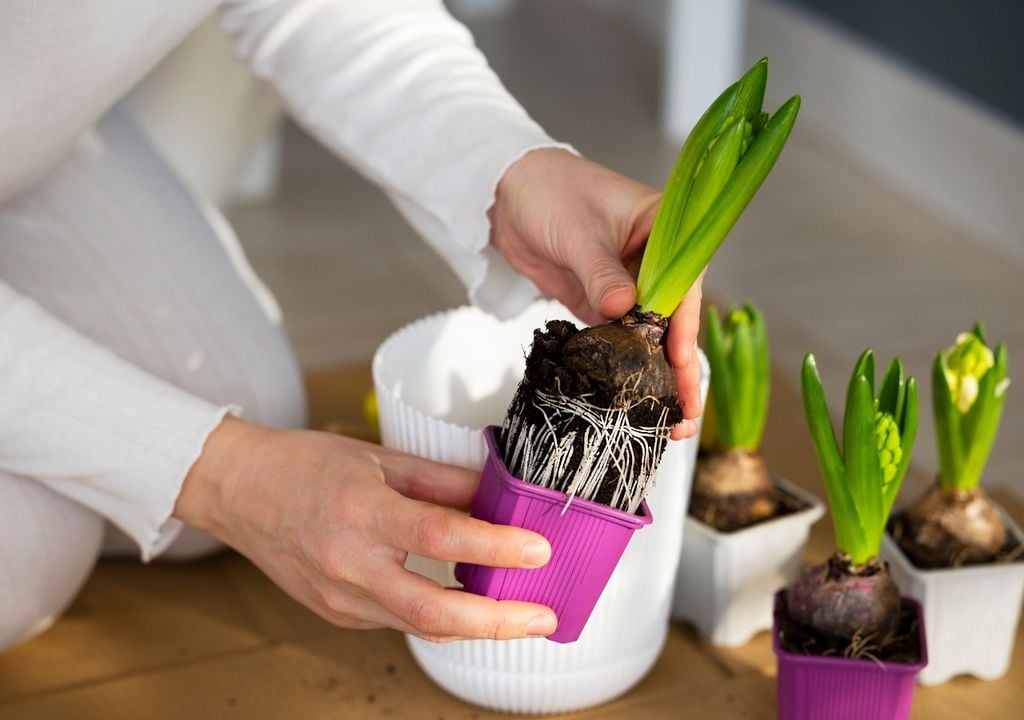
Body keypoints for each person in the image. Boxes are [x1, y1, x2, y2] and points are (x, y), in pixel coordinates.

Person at [0, 0, 704, 650]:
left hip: (34, 135)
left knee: (248, 411)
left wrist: (510, 168)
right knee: (34, 554)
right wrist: (225, 477)